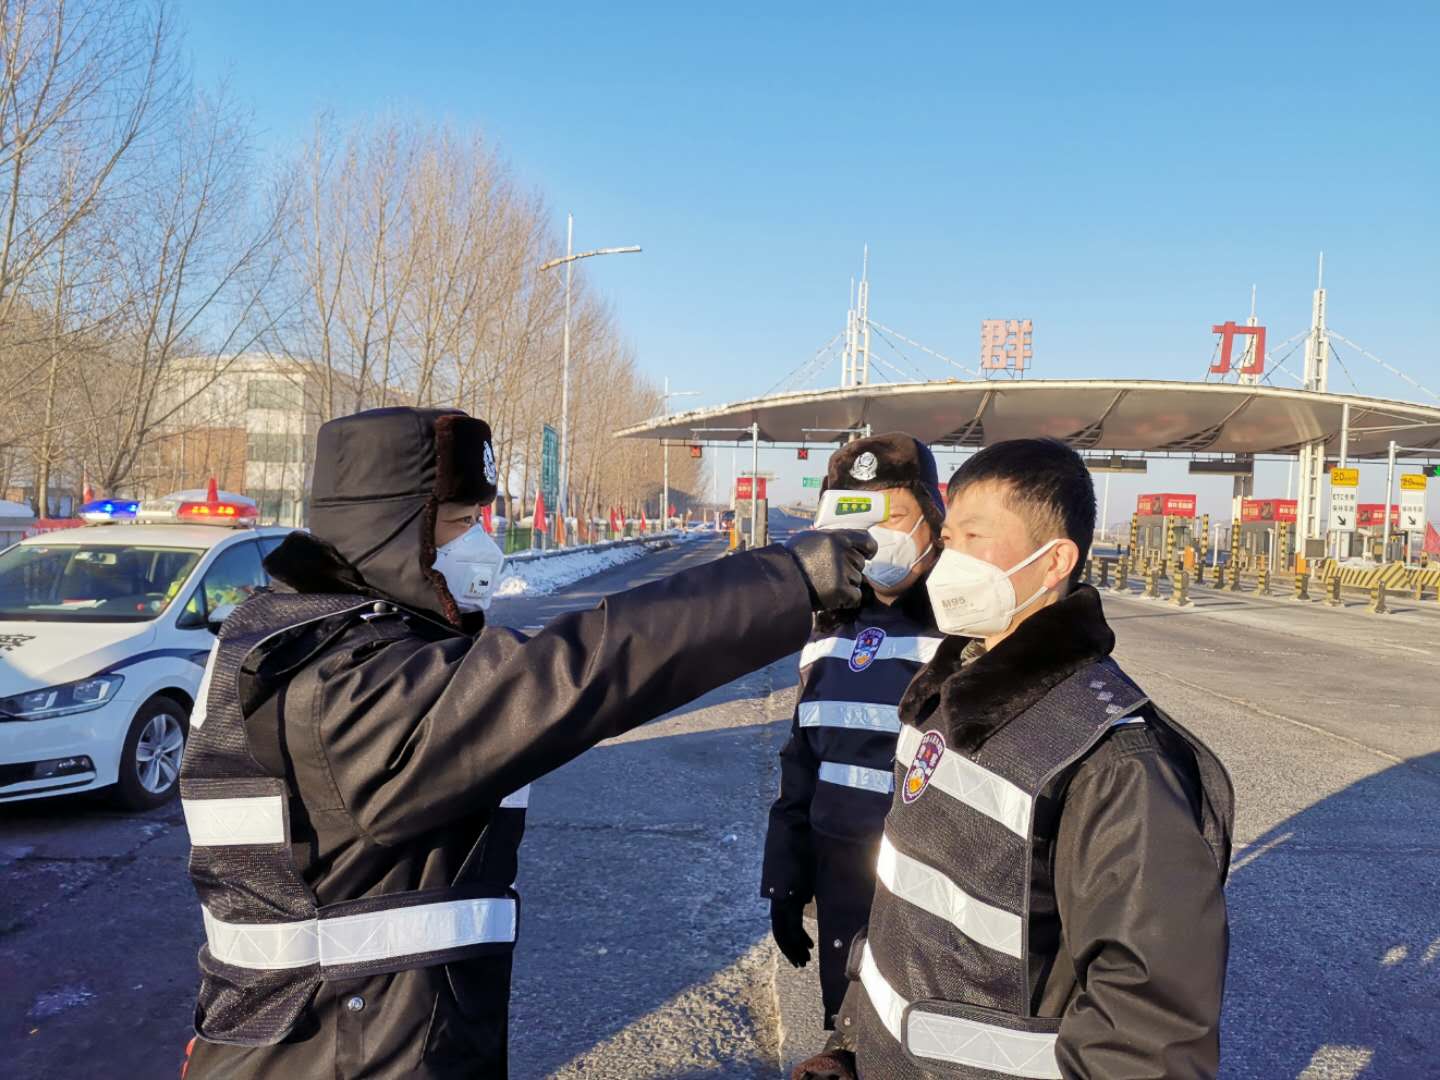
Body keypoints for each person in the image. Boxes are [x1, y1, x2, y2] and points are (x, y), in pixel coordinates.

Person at [177, 406, 876, 1080]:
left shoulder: (304, 632)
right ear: (387, 533)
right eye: (456, 523)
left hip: (348, 1026)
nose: (479, 543)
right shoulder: (341, 682)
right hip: (337, 1047)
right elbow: (577, 671)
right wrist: (781, 583)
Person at [796, 437, 1234, 1080]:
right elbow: (908, 921)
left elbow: (1148, 1036)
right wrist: (853, 1045)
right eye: (949, 539)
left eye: (975, 538)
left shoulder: (1114, 760)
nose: (950, 561)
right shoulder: (945, 700)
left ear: (1054, 560)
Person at [761, 433, 944, 1030]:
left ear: (932, 520)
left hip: (932, 911)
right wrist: (785, 879)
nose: (878, 535)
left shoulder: (964, 627)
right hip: (841, 893)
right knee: (844, 1042)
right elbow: (803, 761)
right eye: (860, 516)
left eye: (895, 516)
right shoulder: (829, 630)